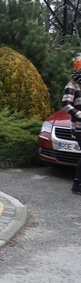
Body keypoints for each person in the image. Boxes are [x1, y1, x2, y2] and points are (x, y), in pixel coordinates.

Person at [61, 55, 81, 194]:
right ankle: (77, 185)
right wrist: (80, 115)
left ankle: (77, 185)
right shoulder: (72, 85)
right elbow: (66, 105)